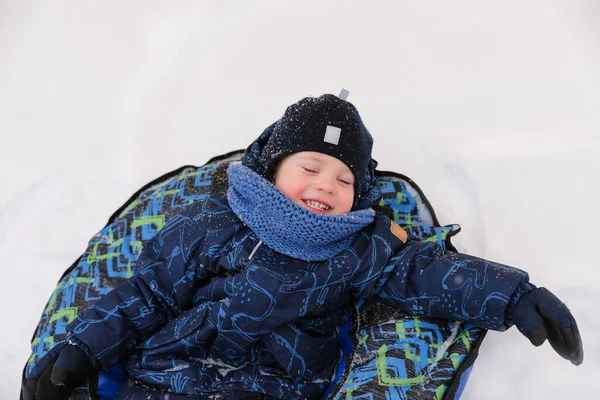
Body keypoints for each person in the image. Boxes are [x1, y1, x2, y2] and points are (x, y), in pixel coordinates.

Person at [22, 93, 583, 400]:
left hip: (278, 387)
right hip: (171, 374)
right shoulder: (211, 220)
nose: (325, 186)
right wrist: (81, 350)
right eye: (310, 167)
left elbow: (426, 275)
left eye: (343, 180)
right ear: (271, 169)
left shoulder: (364, 244)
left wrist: (513, 297)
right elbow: (143, 289)